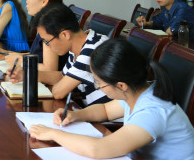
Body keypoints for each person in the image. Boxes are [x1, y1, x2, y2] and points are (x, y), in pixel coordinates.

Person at [29, 38, 194, 160]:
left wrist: (54, 134)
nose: (97, 86)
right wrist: (75, 115)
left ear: (121, 85)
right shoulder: (137, 89)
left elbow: (98, 149)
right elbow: (105, 110)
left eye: (99, 83)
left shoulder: (153, 111)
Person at [8, 2, 111, 105]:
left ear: (65, 35)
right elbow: (63, 77)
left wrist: (33, 77)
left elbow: (58, 93)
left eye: (47, 41)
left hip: (106, 114)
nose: (48, 46)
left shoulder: (92, 50)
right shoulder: (81, 43)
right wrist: (27, 74)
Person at [0, 0, 67, 71]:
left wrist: (21, 61)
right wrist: (7, 54)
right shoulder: (44, 22)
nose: (27, 1)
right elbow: (37, 55)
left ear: (44, 1)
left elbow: (50, 69)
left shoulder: (51, 26)